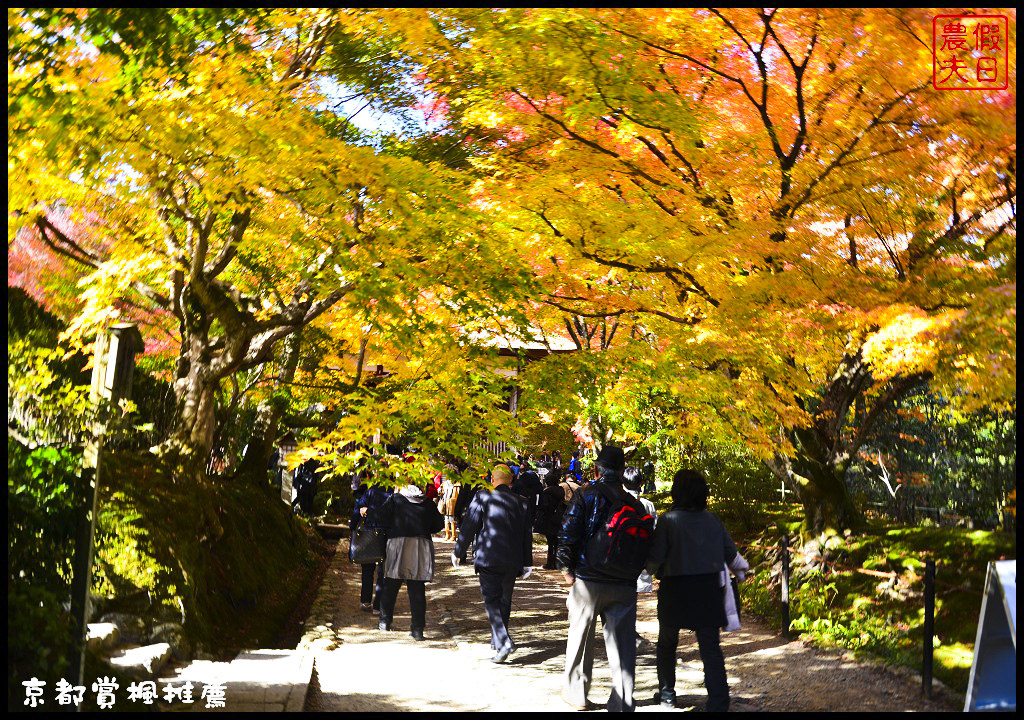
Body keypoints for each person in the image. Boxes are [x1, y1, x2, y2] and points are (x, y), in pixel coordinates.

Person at [645, 469, 748, 712]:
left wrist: (642, 571)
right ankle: (719, 702)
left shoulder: (668, 520)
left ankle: (668, 695)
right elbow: (731, 554)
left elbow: (655, 559)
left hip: (675, 589)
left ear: (676, 492)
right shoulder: (713, 520)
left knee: (667, 643)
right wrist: (743, 571)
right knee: (710, 648)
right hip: (709, 589)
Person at [557, 445, 649, 712]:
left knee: (580, 638)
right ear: (622, 472)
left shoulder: (586, 495)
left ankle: (577, 695)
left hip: (589, 579)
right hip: (623, 583)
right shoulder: (634, 504)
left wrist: (566, 570)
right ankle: (622, 701)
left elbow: (568, 533)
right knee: (622, 645)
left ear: (597, 468)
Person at [452, 463, 533, 663]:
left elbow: (469, 526)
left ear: (492, 480)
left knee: (491, 601)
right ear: (511, 481)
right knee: (504, 601)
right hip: (512, 559)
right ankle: (498, 641)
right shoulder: (523, 502)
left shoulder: (483, 497)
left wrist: (458, 552)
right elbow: (526, 535)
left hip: (488, 557)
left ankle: (503, 641)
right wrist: (527, 562)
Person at [367, 480, 444, 640]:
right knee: (417, 588)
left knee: (391, 584)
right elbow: (438, 524)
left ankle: (385, 621)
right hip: (420, 546)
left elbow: (380, 518)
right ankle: (417, 630)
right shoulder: (427, 503)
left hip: (397, 543)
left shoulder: (396, 499)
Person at [354, 476, 393, 612]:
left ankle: (365, 601)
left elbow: (360, 508)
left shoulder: (371, 490)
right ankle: (378, 605)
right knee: (383, 571)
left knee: (367, 567)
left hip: (371, 533)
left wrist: (353, 525)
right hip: (388, 534)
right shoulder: (394, 491)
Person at [535, 467, 568, 570]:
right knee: (557, 543)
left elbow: (544, 507)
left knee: (551, 543)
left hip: (549, 520)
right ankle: (558, 562)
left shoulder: (547, 493)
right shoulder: (561, 492)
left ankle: (550, 563)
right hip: (559, 519)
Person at [439, 466, 461, 541]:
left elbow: (459, 494)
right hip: (446, 502)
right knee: (446, 519)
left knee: (452, 519)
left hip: (452, 503)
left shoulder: (457, 484)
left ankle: (453, 536)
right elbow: (441, 492)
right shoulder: (445, 483)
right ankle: (447, 534)